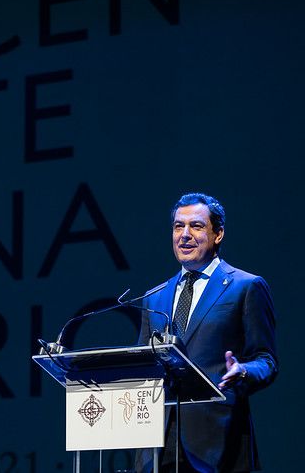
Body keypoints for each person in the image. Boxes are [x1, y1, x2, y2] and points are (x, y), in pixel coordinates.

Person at [135, 193, 278, 473]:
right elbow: (143, 366)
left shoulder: (246, 286)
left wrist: (243, 371)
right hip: (157, 444)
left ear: (218, 234)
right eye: (178, 226)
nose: (185, 234)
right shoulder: (154, 296)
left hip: (217, 443)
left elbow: (267, 360)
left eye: (196, 226)